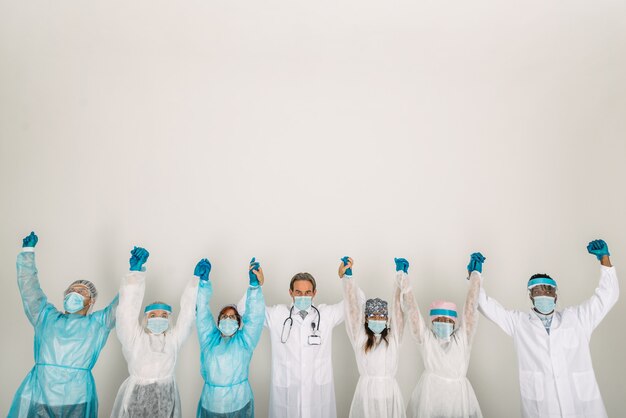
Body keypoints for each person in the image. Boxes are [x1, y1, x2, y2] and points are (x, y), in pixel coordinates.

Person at [478, 239, 619, 418]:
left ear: (555, 294)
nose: (543, 295)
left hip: (583, 410)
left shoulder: (577, 319)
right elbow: (486, 306)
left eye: (548, 291)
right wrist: (475, 275)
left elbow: (608, 296)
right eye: (537, 291)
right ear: (530, 296)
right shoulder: (519, 324)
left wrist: (604, 258)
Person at [8, 232, 119, 418]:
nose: (74, 293)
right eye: (71, 290)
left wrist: (134, 276)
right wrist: (28, 253)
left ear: (91, 301)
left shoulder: (97, 324)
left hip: (76, 398)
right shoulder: (45, 317)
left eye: (82, 291)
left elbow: (121, 308)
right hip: (40, 392)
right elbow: (30, 290)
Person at [238, 261, 345, 418]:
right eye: (298, 292)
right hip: (286, 395)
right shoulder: (277, 315)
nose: (303, 296)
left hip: (317, 394)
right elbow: (243, 311)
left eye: (308, 292)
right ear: (291, 292)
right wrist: (254, 286)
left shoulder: (326, 315)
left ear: (314, 293)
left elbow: (354, 305)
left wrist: (347, 278)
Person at [110, 246, 199, 417]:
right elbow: (126, 312)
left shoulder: (173, 339)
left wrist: (195, 282)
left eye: (164, 315)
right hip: (136, 399)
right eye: (154, 314)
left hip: (166, 399)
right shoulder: (135, 338)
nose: (159, 318)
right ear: (146, 318)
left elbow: (188, 316)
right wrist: (135, 275)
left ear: (169, 319)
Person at [404, 253, 485, 418]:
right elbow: (412, 312)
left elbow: (470, 309)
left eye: (447, 320)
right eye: (438, 319)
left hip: (458, 399)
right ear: (431, 321)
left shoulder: (462, 339)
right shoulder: (427, 339)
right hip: (430, 397)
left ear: (455, 322)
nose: (443, 323)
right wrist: (404, 280)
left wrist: (475, 277)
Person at [195, 257, 265, 418]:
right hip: (211, 403)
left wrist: (254, 287)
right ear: (218, 322)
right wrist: (203, 284)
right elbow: (202, 314)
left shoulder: (245, 341)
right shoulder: (209, 340)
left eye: (233, 317)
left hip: (239, 402)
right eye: (224, 317)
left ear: (239, 322)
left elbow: (255, 317)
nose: (228, 320)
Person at [339, 256, 407, 418]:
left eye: (381, 316)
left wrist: (401, 277)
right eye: (373, 316)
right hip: (366, 394)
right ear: (366, 318)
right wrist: (348, 277)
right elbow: (352, 307)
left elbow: (398, 309)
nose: (377, 319)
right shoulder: (360, 336)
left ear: (387, 319)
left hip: (389, 394)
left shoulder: (393, 338)